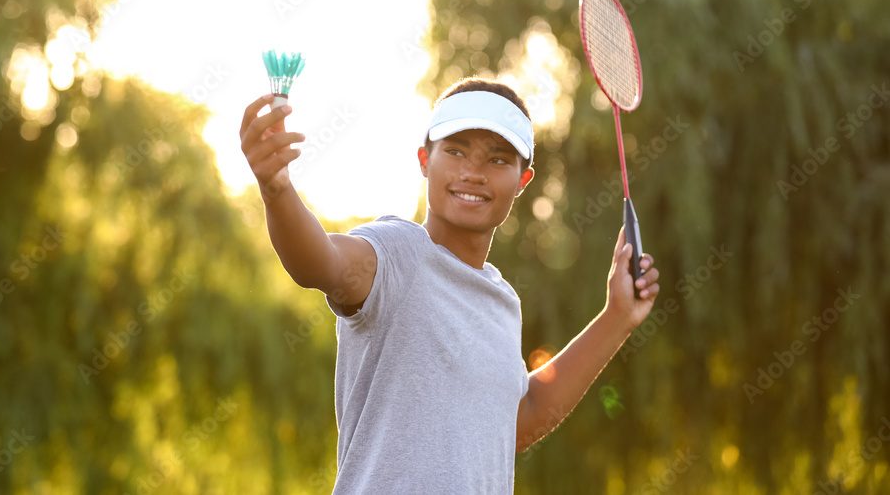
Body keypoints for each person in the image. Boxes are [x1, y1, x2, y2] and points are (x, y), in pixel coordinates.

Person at [239, 77, 661, 494]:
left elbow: (519, 421)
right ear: (424, 160)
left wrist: (617, 317)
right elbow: (319, 263)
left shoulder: (501, 302)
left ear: (522, 181)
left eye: (498, 160)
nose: (473, 173)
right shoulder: (398, 253)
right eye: (456, 151)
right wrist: (277, 189)